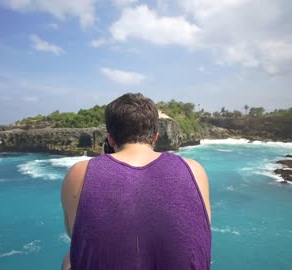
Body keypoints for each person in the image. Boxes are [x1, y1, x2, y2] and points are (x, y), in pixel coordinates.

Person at [61, 93, 211, 269]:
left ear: (111, 139)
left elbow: (75, 234)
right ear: (155, 136)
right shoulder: (195, 170)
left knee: (69, 260)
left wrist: (100, 165)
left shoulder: (79, 173)